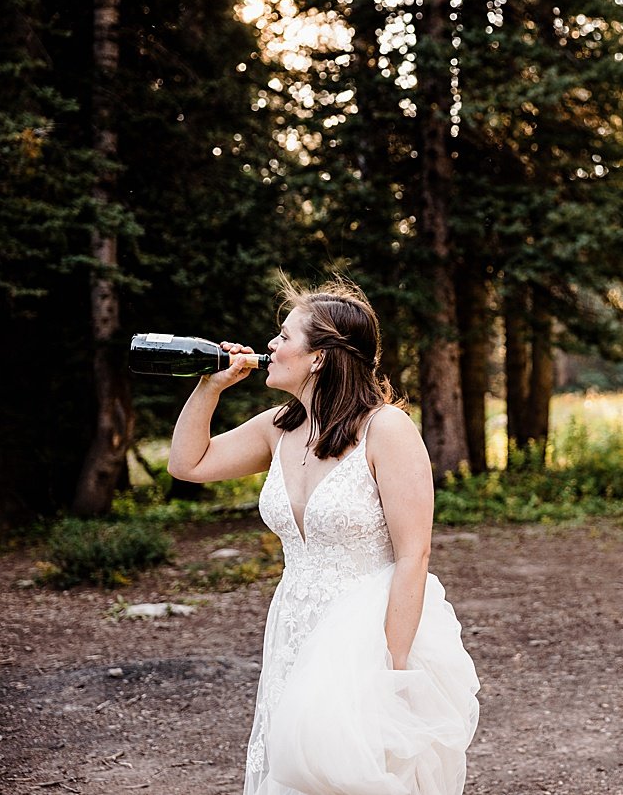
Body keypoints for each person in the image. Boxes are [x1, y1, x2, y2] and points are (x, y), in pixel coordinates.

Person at [167, 279, 479, 794]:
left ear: (319, 358)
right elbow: (187, 464)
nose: (269, 346)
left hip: (368, 632)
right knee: (295, 770)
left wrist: (392, 670)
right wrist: (211, 386)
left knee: (354, 774)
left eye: (283, 335)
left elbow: (413, 555)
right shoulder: (278, 427)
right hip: (294, 622)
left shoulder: (387, 430)